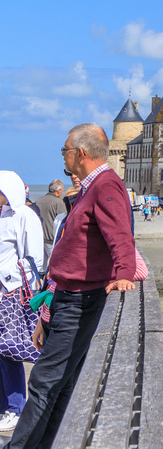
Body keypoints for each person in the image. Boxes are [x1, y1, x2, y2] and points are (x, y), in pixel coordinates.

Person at [7, 125, 137, 449]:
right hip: (67, 297)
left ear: (80, 153)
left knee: (43, 382)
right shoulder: (90, 188)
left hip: (80, 301)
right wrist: (47, 307)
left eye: (64, 150)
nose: (62, 156)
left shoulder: (106, 184)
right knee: (60, 385)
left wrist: (125, 272)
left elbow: (120, 234)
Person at [0, 171, 46, 436]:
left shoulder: (24, 215)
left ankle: (16, 409)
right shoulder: (3, 214)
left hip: (13, 295)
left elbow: (33, 261)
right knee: (2, 352)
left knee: (10, 351)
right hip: (4, 293)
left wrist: (9, 283)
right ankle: (5, 405)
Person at [32, 182, 65, 272]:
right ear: (58, 191)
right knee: (54, 266)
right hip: (51, 239)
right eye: (62, 190)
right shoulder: (58, 202)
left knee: (41, 268)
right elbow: (64, 220)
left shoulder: (38, 201)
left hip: (39, 239)